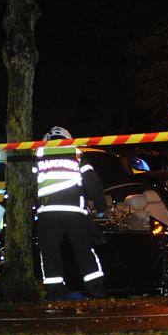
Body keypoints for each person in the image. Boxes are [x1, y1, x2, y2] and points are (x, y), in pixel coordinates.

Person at [35, 126, 107, 300]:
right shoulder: (77, 153)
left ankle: (55, 293)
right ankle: (97, 290)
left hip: (48, 212)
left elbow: (30, 183)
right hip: (75, 212)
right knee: (84, 251)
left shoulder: (39, 153)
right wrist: (101, 206)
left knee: (50, 253)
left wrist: (32, 210)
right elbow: (92, 182)